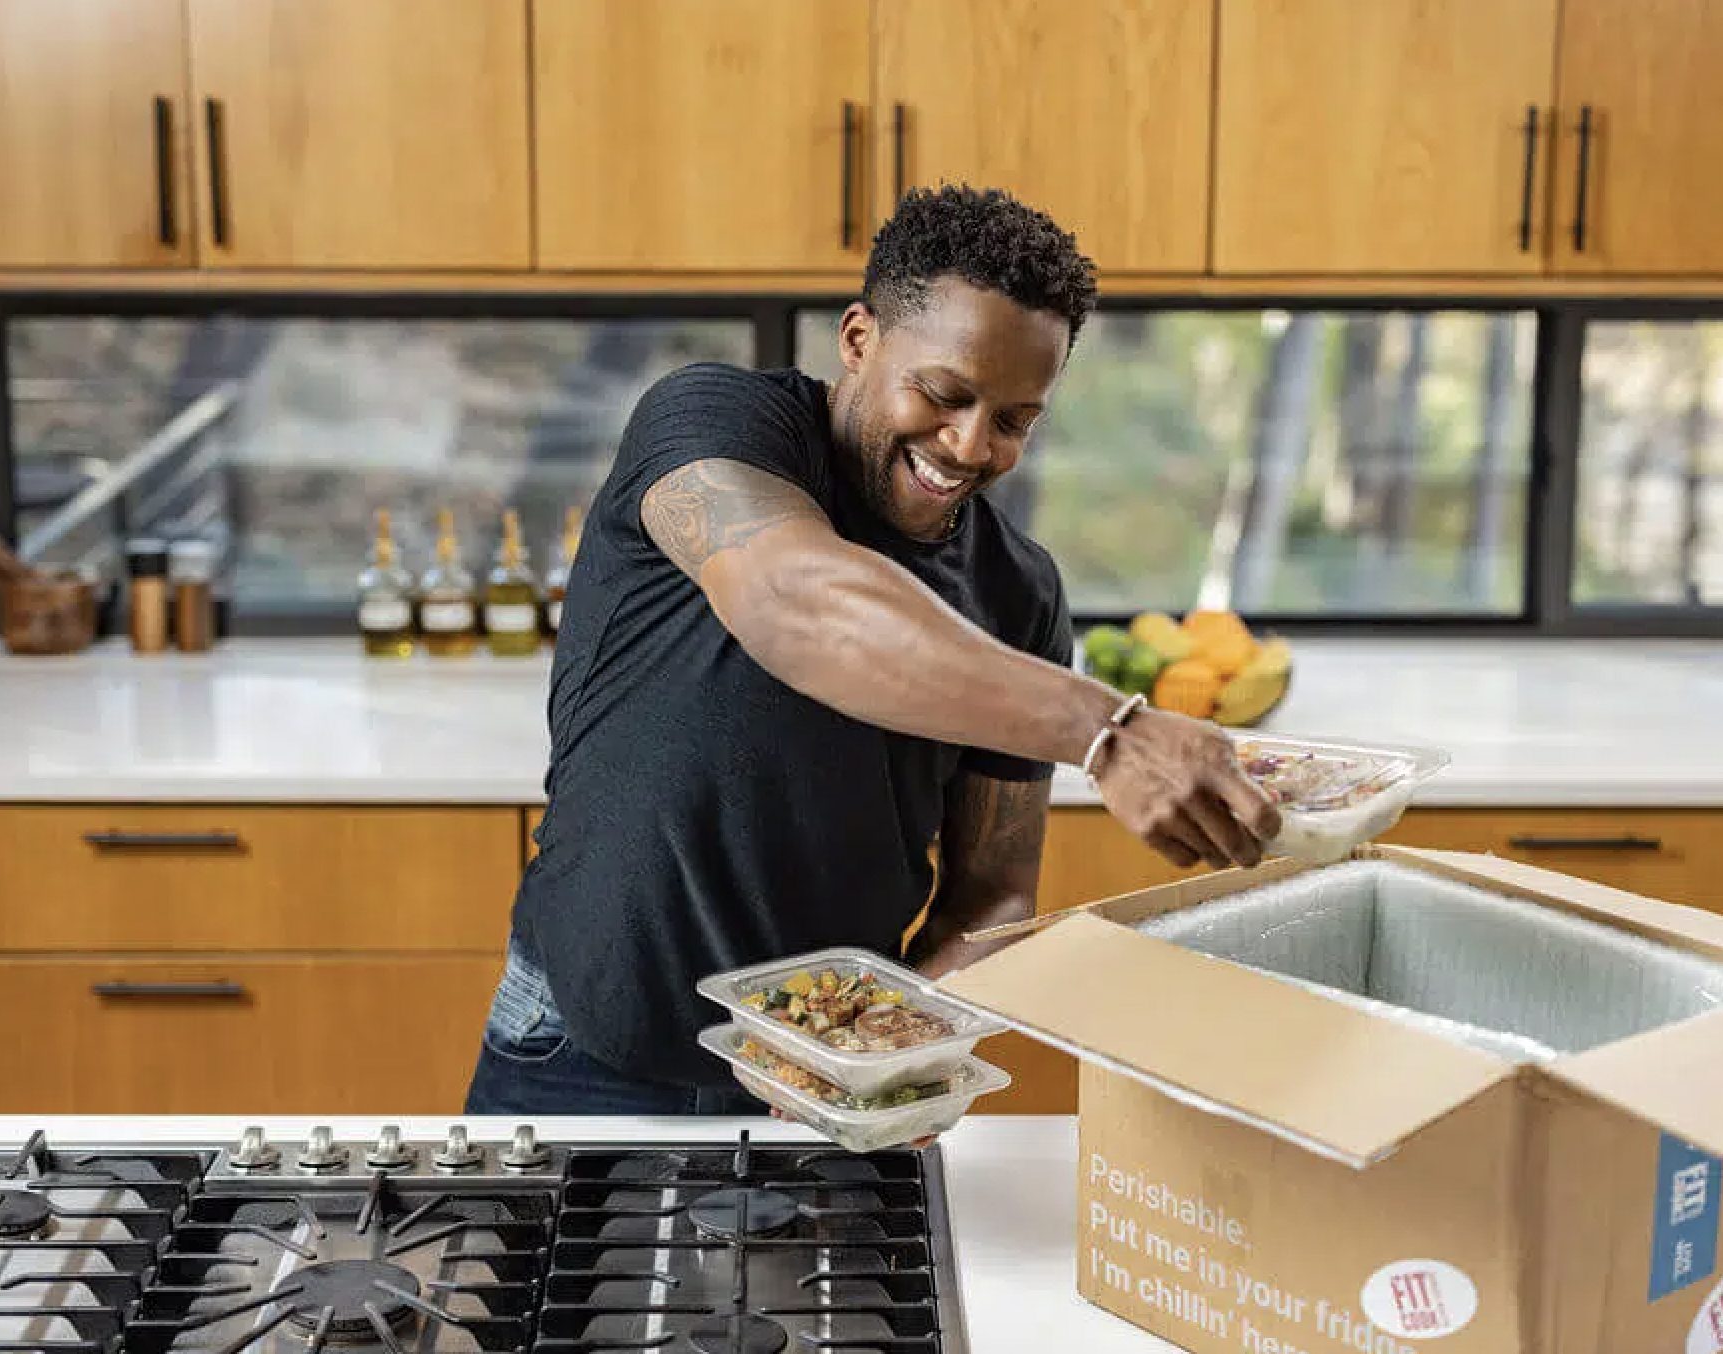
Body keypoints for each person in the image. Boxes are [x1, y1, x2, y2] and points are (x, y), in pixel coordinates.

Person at [466, 185, 1281, 1116]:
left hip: (829, 1082)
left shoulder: (1021, 591)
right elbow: (795, 601)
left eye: (1015, 419)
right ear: (858, 341)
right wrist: (1110, 732)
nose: (971, 446)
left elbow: (994, 893)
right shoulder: (714, 425)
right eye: (943, 394)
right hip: (577, 1044)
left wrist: (893, 1044)